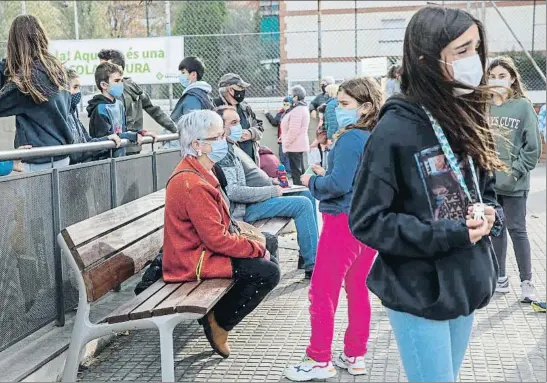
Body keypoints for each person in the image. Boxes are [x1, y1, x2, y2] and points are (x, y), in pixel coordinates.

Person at [348, 7, 505, 382]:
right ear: (426, 60)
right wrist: (449, 233)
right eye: (462, 50)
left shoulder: (466, 112)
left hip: (465, 282)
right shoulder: (394, 130)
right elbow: (367, 220)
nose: (475, 61)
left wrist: (490, 213)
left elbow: (486, 190)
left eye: (477, 48)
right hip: (418, 291)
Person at [285, 77, 382, 381]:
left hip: (343, 222)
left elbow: (338, 185)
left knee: (322, 290)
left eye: (345, 104)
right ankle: (355, 355)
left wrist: (312, 182)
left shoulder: (351, 138)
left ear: (365, 106)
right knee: (357, 290)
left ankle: (318, 359)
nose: (338, 109)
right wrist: (327, 175)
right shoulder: (377, 136)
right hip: (368, 222)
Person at [163, 109, 280, 358]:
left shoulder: (201, 169)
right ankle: (219, 323)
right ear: (197, 145)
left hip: (201, 250)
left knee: (269, 246)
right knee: (268, 271)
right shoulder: (192, 183)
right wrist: (256, 248)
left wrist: (256, 244)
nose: (224, 140)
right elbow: (216, 239)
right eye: (216, 137)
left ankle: (220, 312)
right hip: (192, 260)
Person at [215, 106, 319, 279]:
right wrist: (271, 191)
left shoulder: (231, 147)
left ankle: (308, 255)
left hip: (249, 204)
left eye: (239, 122)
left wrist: (272, 183)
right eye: (233, 123)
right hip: (242, 212)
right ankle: (313, 264)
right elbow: (234, 192)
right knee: (303, 204)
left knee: (307, 195)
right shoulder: (223, 152)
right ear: (220, 127)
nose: (238, 127)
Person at [487, 56, 542, 302]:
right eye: (492, 76)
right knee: (496, 230)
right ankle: (500, 278)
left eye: (502, 76)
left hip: (514, 183)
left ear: (512, 79)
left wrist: (515, 171)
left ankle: (526, 281)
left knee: (516, 229)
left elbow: (533, 147)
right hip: (488, 182)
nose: (497, 81)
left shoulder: (522, 106)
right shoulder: (483, 105)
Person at [0, 14, 74, 172]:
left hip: (37, 160)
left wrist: (5, 64)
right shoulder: (58, 71)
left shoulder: (27, 81)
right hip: (62, 156)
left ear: (14, 44)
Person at [97, 49, 177, 155]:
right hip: (133, 146)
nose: (99, 71)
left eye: (104, 66)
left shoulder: (114, 91)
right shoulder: (132, 86)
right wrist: (174, 128)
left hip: (121, 148)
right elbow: (153, 109)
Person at [87, 62, 156, 159]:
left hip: (119, 158)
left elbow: (123, 130)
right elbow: (106, 138)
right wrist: (131, 136)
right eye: (117, 81)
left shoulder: (119, 104)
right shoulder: (100, 109)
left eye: (121, 80)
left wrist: (141, 132)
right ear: (103, 85)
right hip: (104, 162)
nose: (121, 84)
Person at [66, 68, 121, 164]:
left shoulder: (73, 114)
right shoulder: (62, 117)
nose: (79, 92)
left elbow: (87, 141)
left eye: (79, 87)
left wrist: (106, 139)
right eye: (75, 87)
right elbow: (76, 154)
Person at [165, 56, 215, 148]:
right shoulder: (202, 95)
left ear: (193, 75)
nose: (181, 76)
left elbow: (190, 129)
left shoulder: (193, 97)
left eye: (183, 73)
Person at [215, 73, 264, 164]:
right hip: (227, 162)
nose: (243, 91)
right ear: (230, 89)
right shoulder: (215, 108)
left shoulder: (245, 107)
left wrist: (251, 133)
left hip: (250, 161)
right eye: (240, 88)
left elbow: (259, 126)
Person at [281, 85, 310, 185]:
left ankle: (299, 191)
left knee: (297, 172)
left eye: (291, 95)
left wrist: (286, 142)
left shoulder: (298, 109)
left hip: (295, 145)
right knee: (299, 171)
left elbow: (294, 130)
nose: (290, 97)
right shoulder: (300, 108)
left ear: (296, 97)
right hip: (297, 144)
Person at [265, 96, 293, 174]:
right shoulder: (281, 113)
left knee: (289, 157)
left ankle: (289, 172)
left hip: (291, 139)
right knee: (283, 157)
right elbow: (274, 122)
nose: (285, 106)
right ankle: (286, 173)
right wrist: (267, 114)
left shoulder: (294, 114)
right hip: (282, 139)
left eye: (287, 104)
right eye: (284, 104)